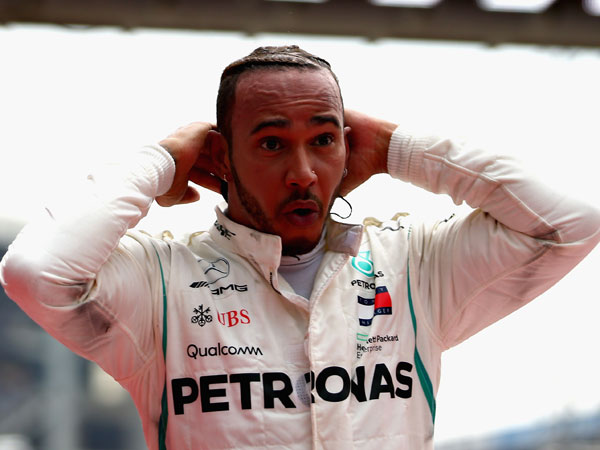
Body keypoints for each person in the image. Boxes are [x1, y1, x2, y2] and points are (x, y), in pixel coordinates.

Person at [1, 45, 598, 450]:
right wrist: (159, 162)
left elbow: (572, 221)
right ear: (221, 157)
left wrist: (399, 148)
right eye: (271, 144)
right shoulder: (161, 281)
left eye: (324, 139)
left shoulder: (413, 265)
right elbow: (34, 272)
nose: (304, 173)